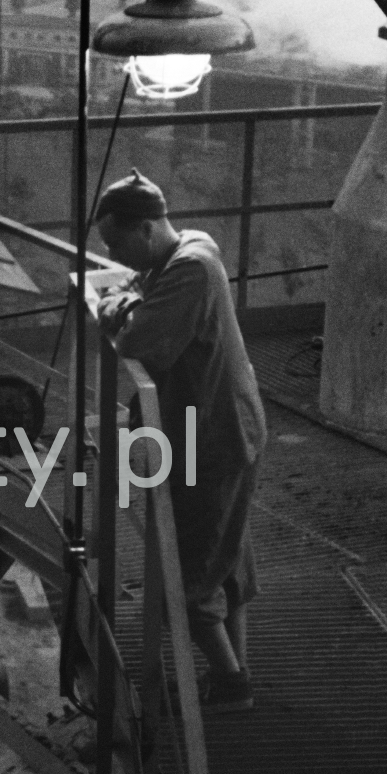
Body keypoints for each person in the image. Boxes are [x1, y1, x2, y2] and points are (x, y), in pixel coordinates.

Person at [94, 168, 267, 709]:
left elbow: (138, 341)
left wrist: (116, 305)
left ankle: (231, 683)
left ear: (144, 230)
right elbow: (139, 294)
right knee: (227, 560)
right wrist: (133, 295)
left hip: (211, 440)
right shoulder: (192, 248)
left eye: (117, 243)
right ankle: (230, 676)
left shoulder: (188, 271)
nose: (116, 258)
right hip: (229, 426)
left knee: (189, 574)